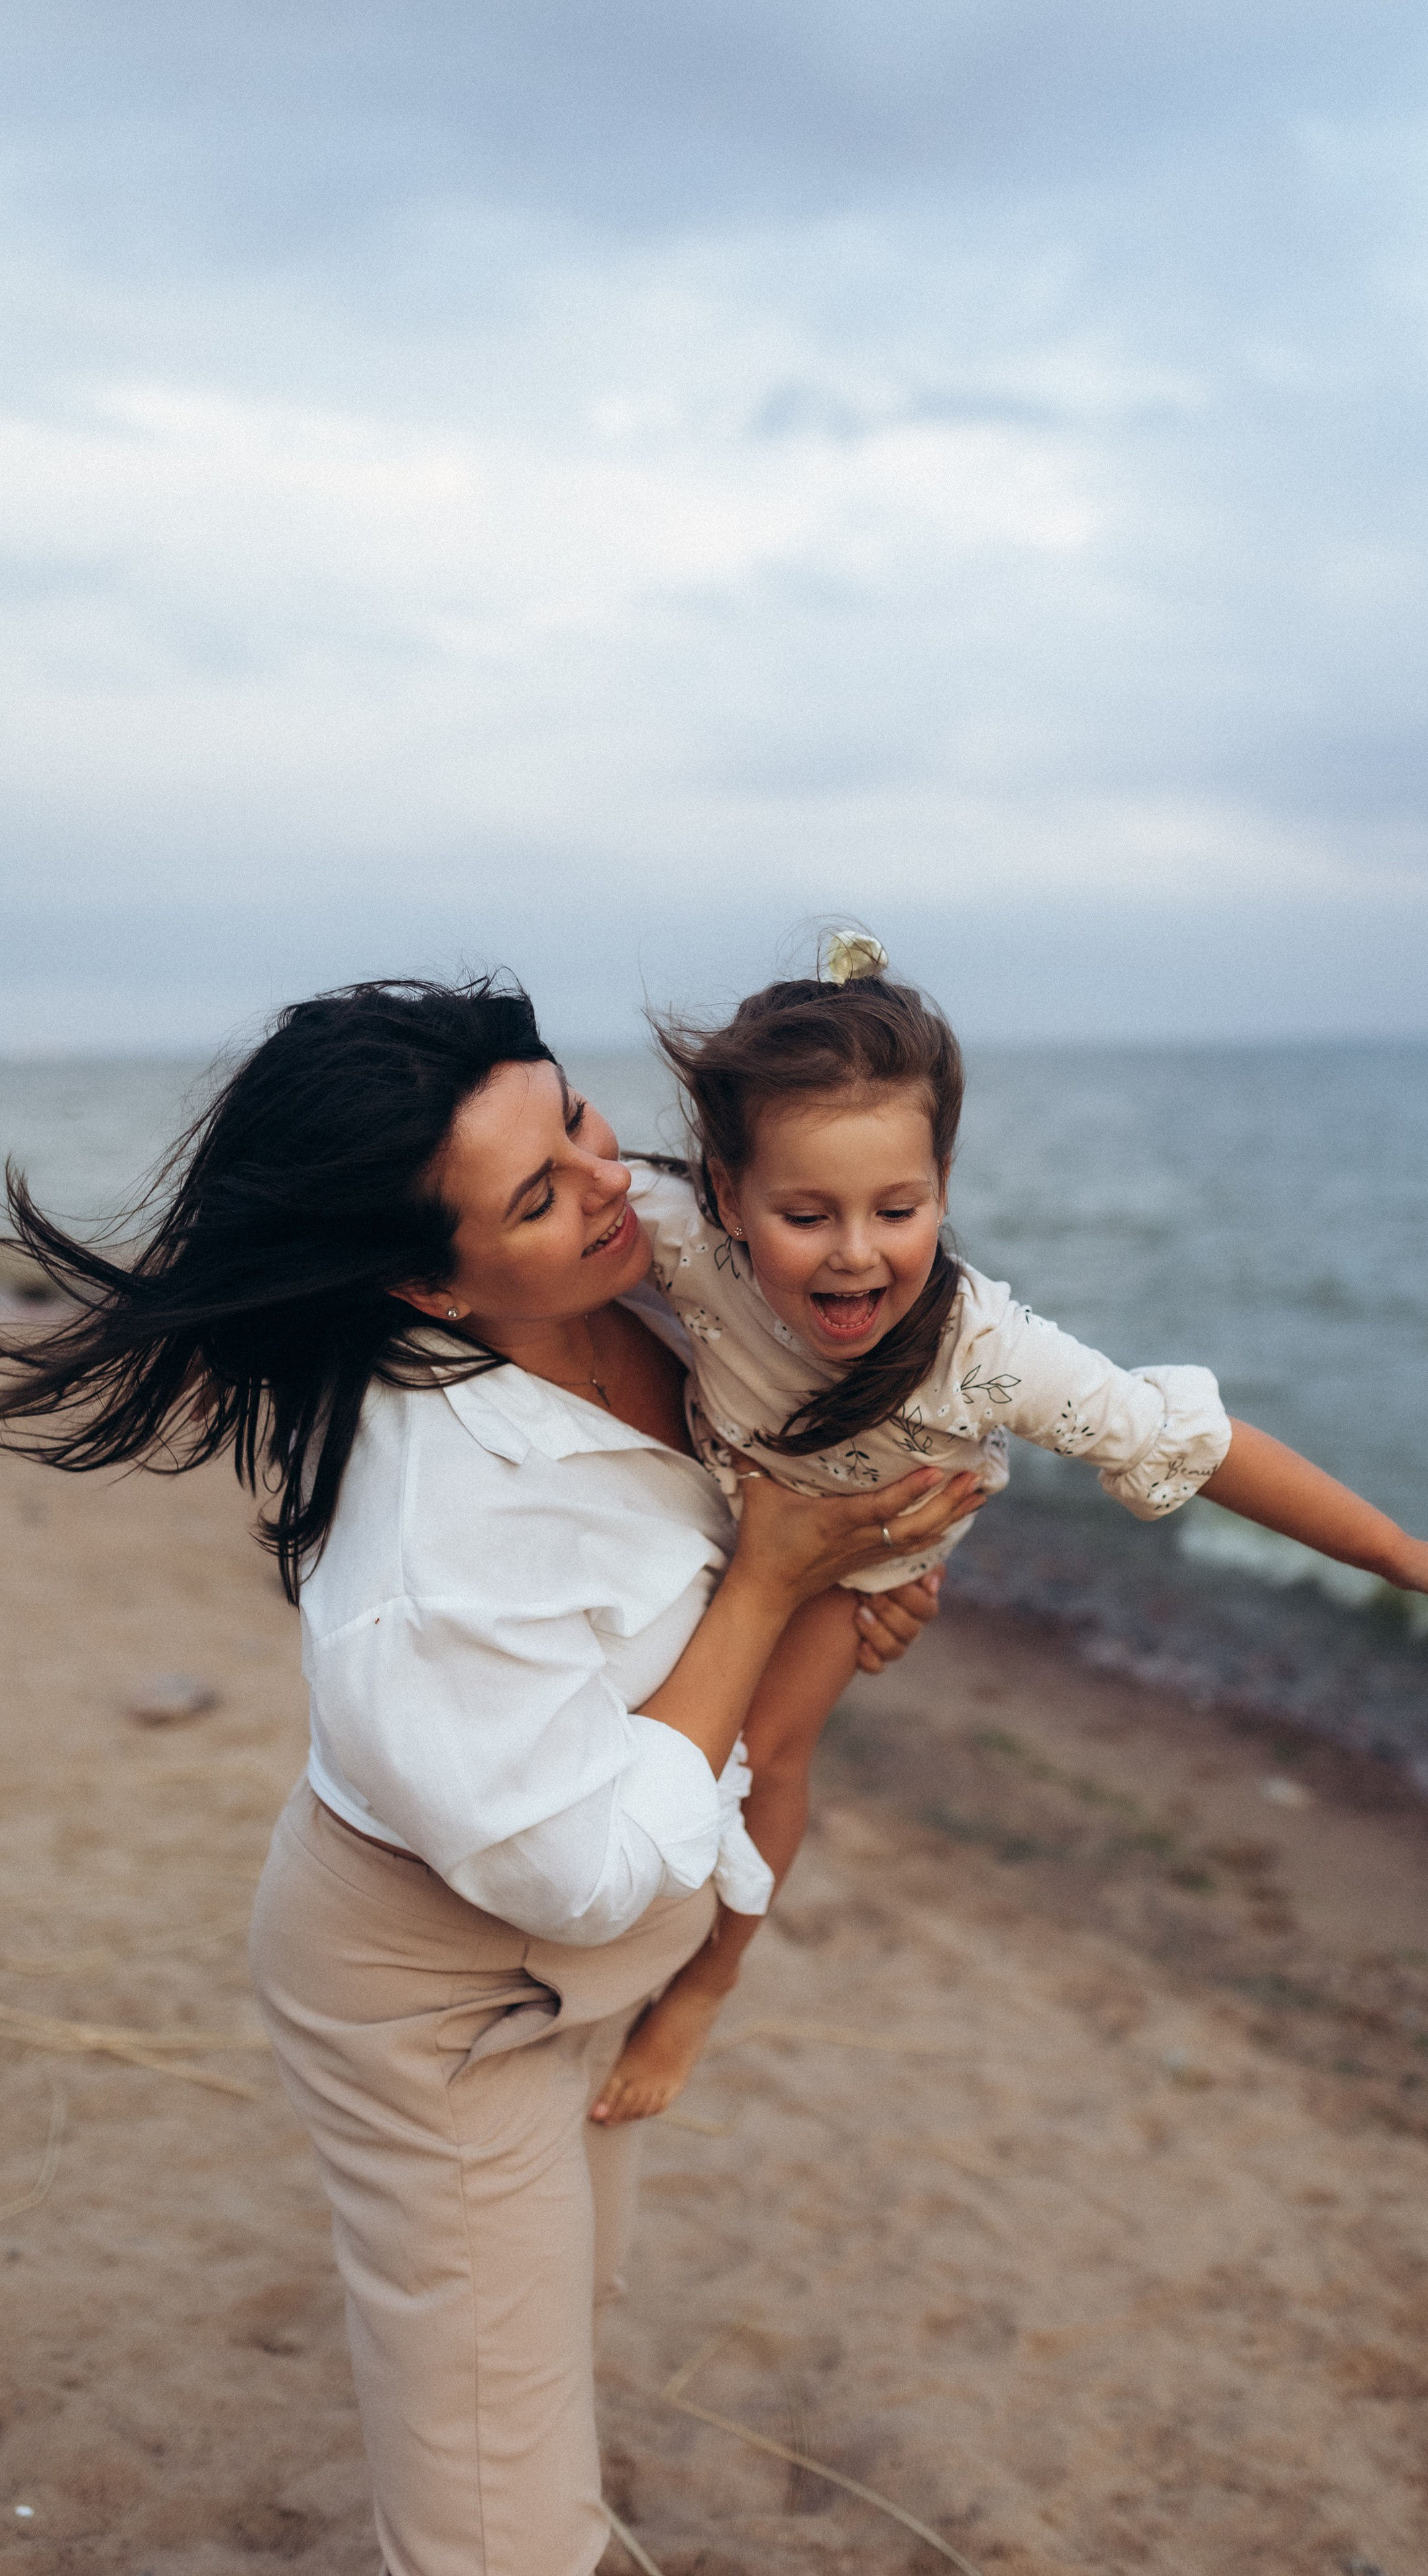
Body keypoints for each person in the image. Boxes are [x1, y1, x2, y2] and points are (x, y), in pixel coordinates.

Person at [0, 975, 979, 2576]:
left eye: (578, 1118)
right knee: (497, 2513)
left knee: (554, 2321)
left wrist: (837, 1566)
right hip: (440, 1996)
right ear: (425, 1284)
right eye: (538, 1193)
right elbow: (575, 1868)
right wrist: (764, 1586)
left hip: (581, 1982)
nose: (613, 1183)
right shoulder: (434, 1542)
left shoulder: (647, 1265)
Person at [588, 933, 1428, 2125]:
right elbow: (543, 1197)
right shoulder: (683, 1236)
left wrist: (1399, 1551)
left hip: (863, 1566)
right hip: (725, 1505)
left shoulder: (989, 1357)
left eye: (897, 1207)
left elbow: (1191, 1441)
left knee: (771, 1754)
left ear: (944, 1184)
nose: (857, 1251)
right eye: (808, 1213)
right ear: (731, 1192)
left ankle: (710, 1977)